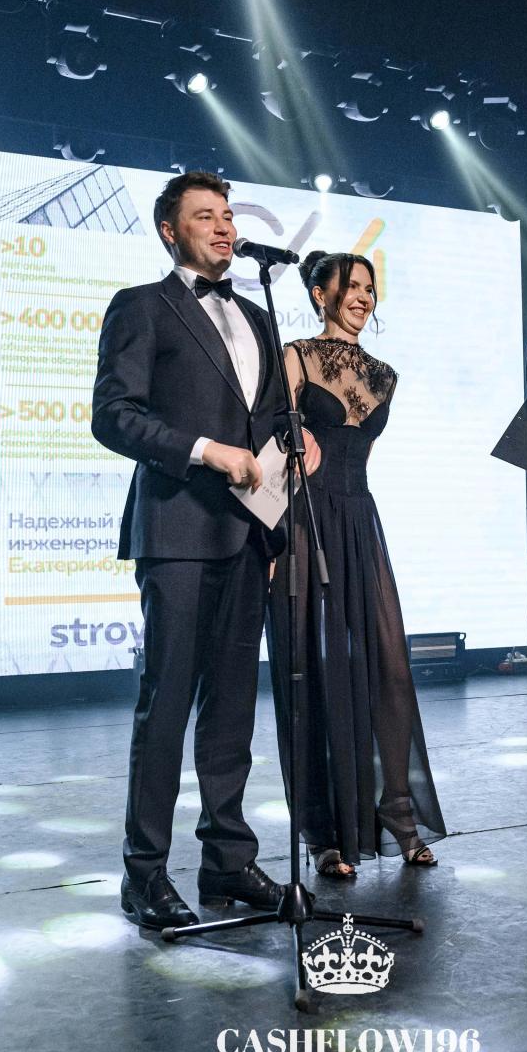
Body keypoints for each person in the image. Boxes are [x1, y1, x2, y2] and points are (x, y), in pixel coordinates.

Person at [91, 171, 288, 931]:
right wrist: (206, 450)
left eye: (228, 215)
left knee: (233, 708)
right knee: (167, 702)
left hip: (247, 534)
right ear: (169, 232)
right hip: (177, 530)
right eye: (205, 216)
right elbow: (113, 416)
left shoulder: (259, 317)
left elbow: (267, 419)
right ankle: (144, 874)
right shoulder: (142, 306)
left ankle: (227, 860)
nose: (224, 226)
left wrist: (292, 440)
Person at [269, 251, 446, 880]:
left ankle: (398, 814)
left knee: (387, 668)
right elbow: (267, 441)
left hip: (358, 521)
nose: (364, 297)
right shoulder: (295, 357)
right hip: (301, 521)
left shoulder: (384, 375)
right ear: (320, 294)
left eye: (371, 287)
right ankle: (323, 833)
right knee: (310, 674)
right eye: (352, 286)